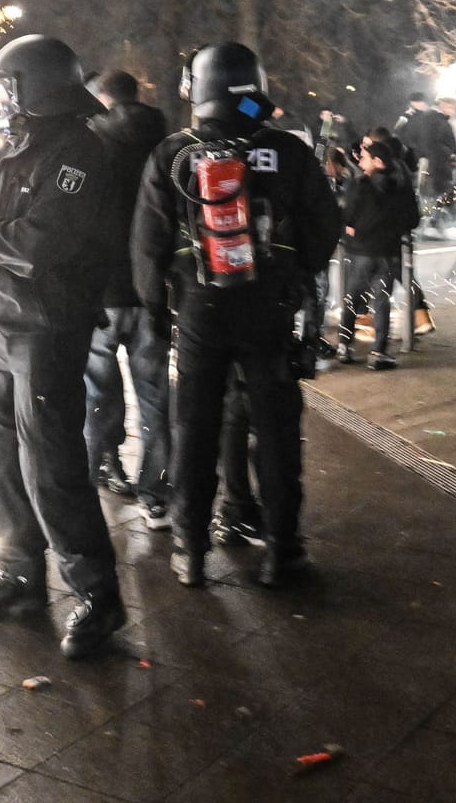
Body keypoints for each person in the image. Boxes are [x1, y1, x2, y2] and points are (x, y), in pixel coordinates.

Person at [133, 42, 340, 589]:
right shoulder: (288, 152)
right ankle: (282, 551)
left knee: (195, 429)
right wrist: (293, 279)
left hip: (199, 311)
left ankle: (190, 550)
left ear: (196, 90)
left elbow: (147, 246)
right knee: (274, 430)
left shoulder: (172, 155)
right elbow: (324, 226)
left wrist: (157, 312)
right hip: (268, 310)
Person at [0, 34, 126, 659]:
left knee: (49, 462)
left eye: (8, 88)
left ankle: (97, 594)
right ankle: (20, 572)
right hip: (3, 325)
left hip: (47, 329)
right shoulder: (17, 147)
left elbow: (36, 245)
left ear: (36, 90)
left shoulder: (77, 152)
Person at [83, 69, 172, 523]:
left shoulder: (91, 141)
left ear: (103, 98)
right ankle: (156, 493)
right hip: (151, 290)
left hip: (102, 291)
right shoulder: (167, 140)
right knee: (155, 395)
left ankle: (102, 462)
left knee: (99, 390)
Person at [336, 129, 421, 370]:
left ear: (377, 161)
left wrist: (352, 227)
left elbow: (348, 216)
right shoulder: (401, 187)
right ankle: (378, 352)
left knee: (351, 299)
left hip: (359, 252)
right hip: (388, 252)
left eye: (364, 158)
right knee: (381, 301)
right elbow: (413, 220)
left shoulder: (359, 185)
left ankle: (344, 345)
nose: (360, 161)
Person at [394, 92, 456, 216]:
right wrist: (418, 152)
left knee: (429, 190)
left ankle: (427, 217)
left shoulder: (431, 117)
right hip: (421, 158)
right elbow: (400, 132)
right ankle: (421, 217)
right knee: (424, 190)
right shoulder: (412, 116)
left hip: (430, 158)